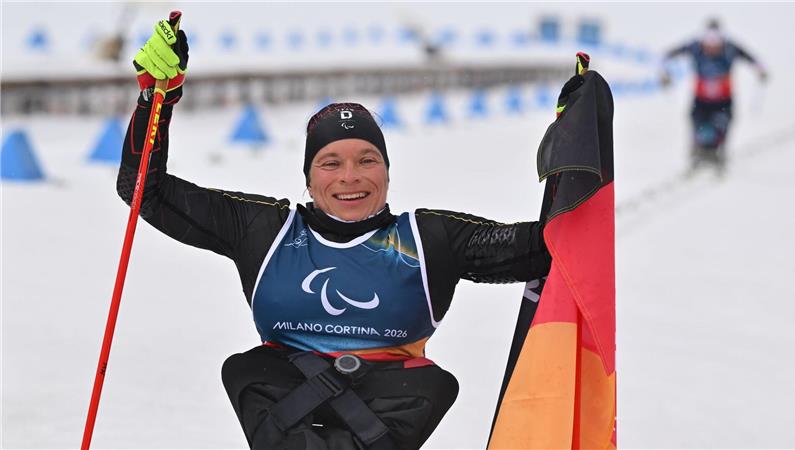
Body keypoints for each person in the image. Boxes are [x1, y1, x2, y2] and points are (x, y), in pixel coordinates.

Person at [120, 20, 551, 449]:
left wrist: (577, 151)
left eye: (367, 160)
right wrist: (155, 99)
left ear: (386, 171)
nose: (350, 177)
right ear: (308, 178)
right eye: (330, 163)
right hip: (287, 403)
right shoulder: (265, 229)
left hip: (384, 415)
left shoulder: (428, 238)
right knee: (247, 369)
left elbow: (549, 247)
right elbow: (145, 190)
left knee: (432, 385)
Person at [661, 18, 768, 174]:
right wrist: (664, 74)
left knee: (722, 127)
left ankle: (719, 155)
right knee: (697, 127)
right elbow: (667, 55)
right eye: (708, 44)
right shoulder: (695, 47)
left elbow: (753, 59)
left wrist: (761, 71)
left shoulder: (730, 48)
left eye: (715, 44)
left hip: (723, 100)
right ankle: (696, 155)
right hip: (701, 100)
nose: (711, 47)